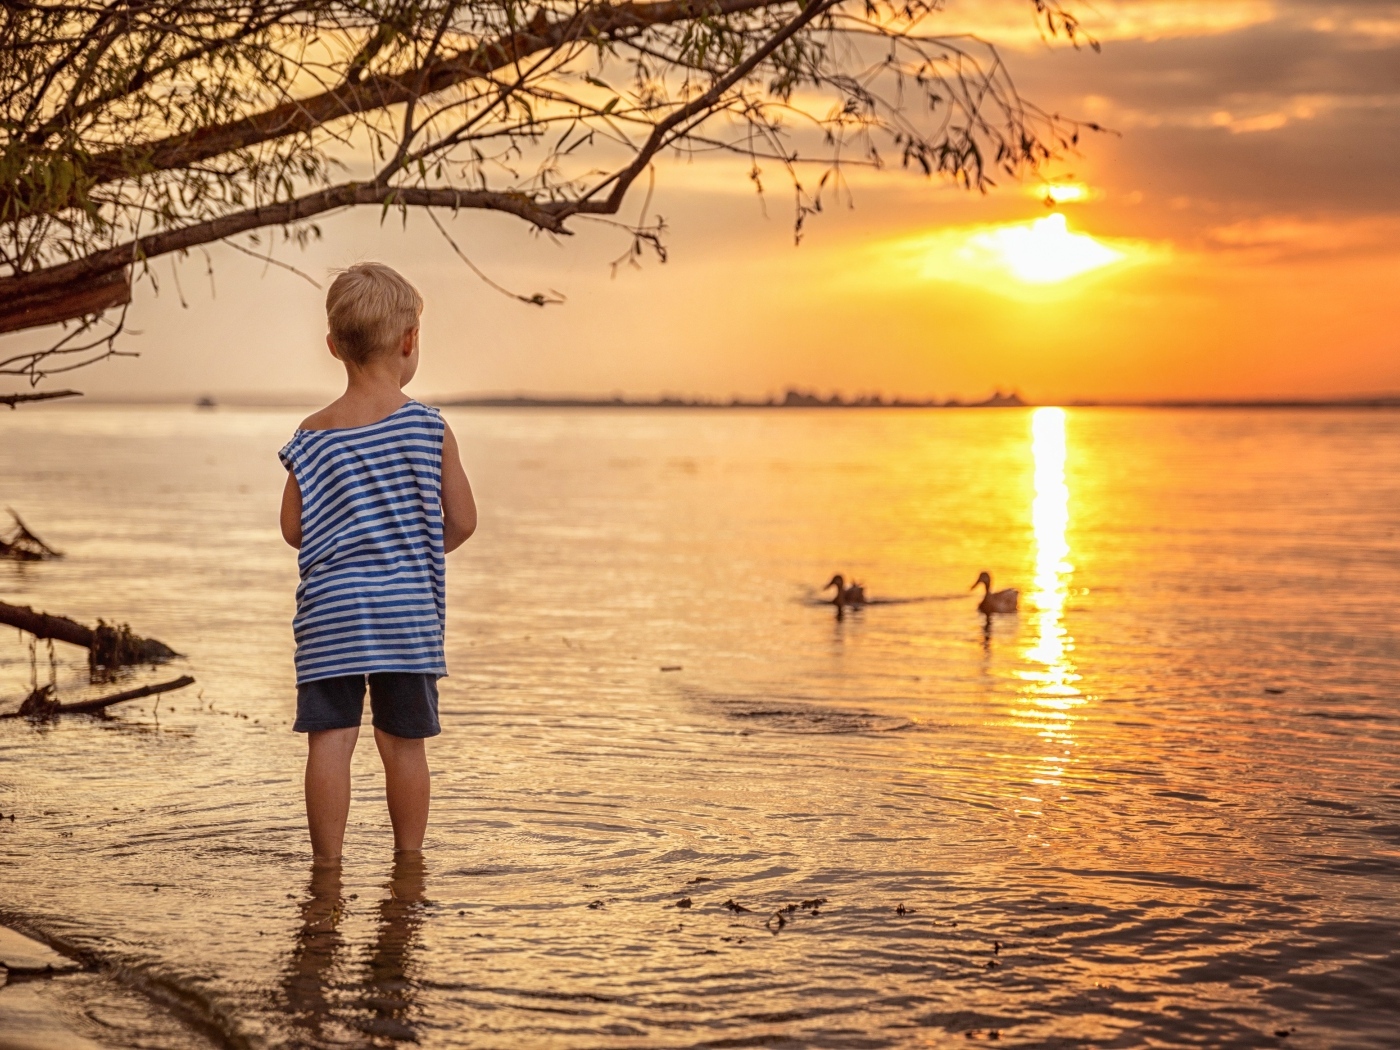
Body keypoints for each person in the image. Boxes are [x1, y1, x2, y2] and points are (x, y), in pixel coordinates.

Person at [278, 262, 476, 866]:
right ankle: (409, 864)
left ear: (334, 346)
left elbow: (292, 530)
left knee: (330, 742)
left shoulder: (311, 436)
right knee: (404, 745)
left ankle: (328, 870)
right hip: (405, 616)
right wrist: (408, 550)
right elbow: (463, 521)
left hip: (331, 617)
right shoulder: (428, 427)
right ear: (410, 340)